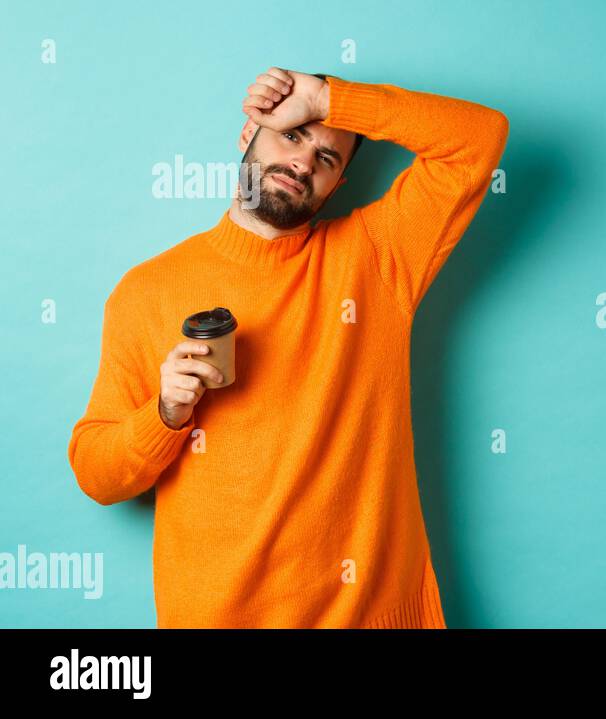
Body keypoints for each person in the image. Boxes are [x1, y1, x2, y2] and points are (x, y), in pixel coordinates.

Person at [67, 67, 509, 628]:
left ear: (339, 184)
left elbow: (479, 137)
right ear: (247, 134)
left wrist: (325, 99)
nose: (303, 163)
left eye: (327, 158)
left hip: (367, 615)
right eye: (292, 135)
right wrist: (165, 414)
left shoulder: (377, 258)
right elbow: (96, 474)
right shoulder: (146, 290)